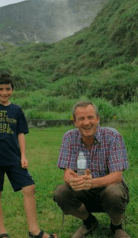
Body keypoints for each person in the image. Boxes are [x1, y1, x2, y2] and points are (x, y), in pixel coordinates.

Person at [0, 73, 58, 238]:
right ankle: (2, 232)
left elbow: (21, 134)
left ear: (12, 90)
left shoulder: (16, 110)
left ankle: (34, 231)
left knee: (29, 187)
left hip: (14, 157)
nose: (4, 92)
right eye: (0, 89)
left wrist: (23, 156)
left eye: (8, 89)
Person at [53, 101, 130, 238]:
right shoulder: (69, 137)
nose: (86, 122)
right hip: (83, 188)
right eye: (81, 119)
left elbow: (117, 175)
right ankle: (89, 222)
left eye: (90, 117)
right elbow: (67, 173)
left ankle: (116, 226)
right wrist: (74, 180)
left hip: (108, 187)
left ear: (98, 119)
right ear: (75, 122)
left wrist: (92, 182)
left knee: (114, 193)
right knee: (61, 192)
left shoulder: (113, 136)